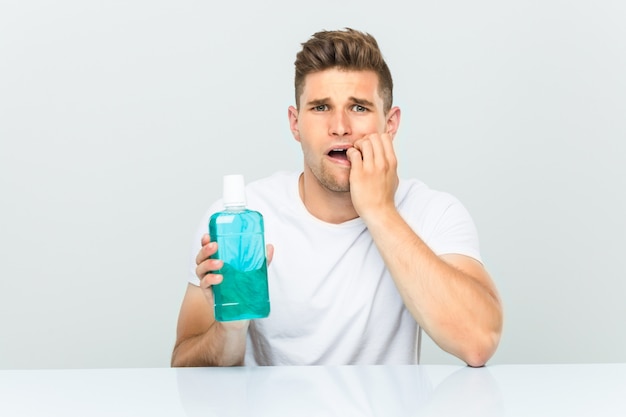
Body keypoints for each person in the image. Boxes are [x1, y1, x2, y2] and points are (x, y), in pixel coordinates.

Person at [171, 28, 503, 367]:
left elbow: (478, 341)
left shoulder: (434, 212)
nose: (340, 127)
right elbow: (182, 366)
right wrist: (230, 330)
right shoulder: (240, 220)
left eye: (358, 107)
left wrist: (380, 210)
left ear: (390, 124)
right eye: (320, 107)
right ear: (295, 123)